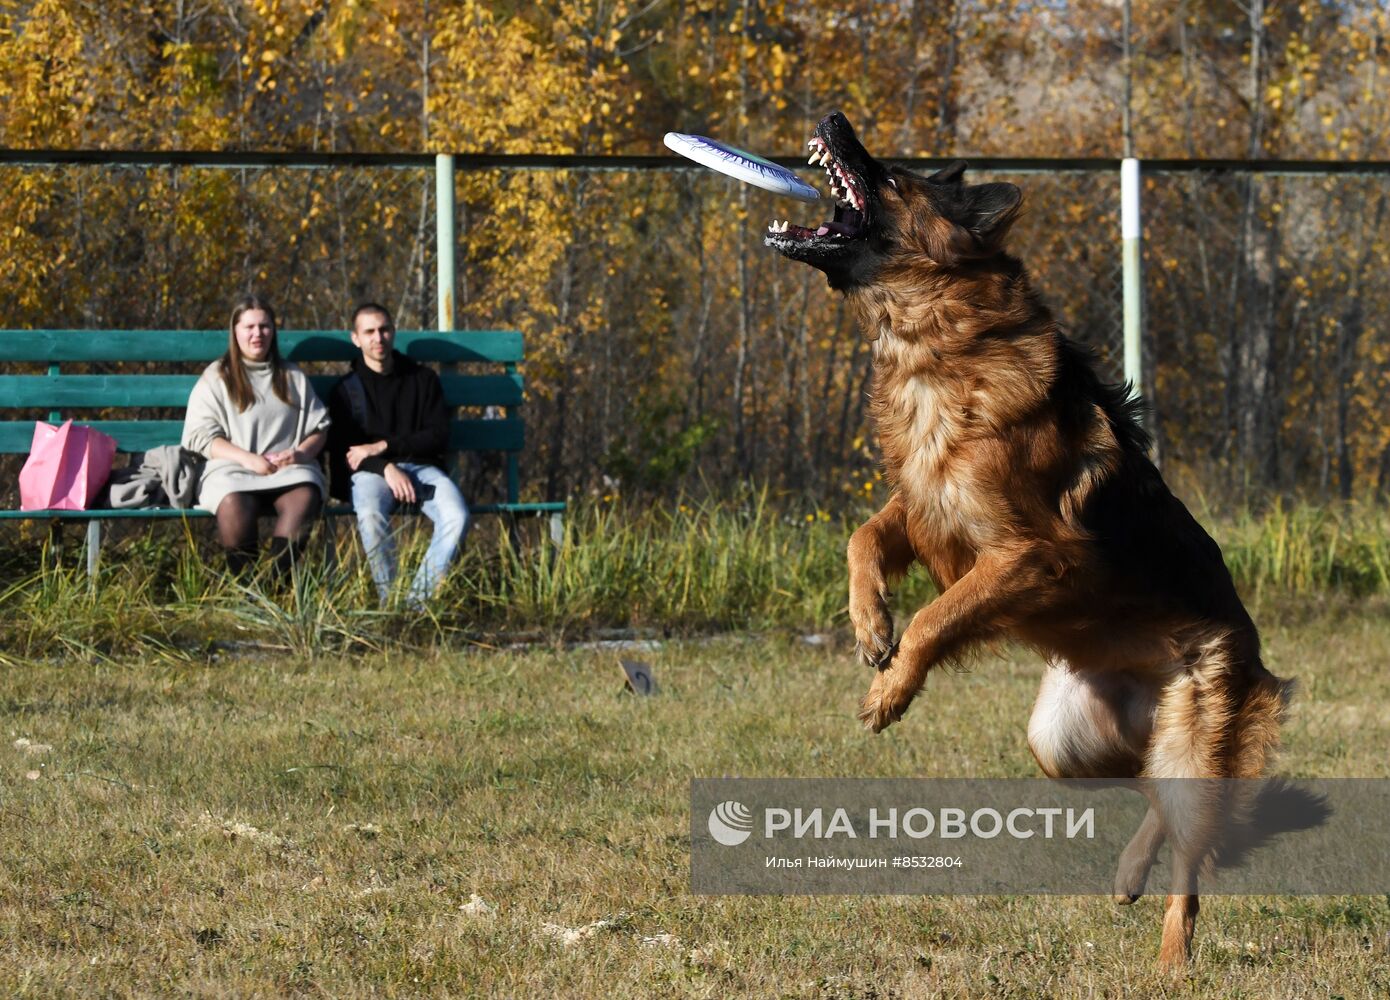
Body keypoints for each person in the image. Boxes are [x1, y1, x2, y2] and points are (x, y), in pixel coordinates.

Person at [328, 302, 470, 607]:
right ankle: (390, 602)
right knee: (369, 514)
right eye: (369, 332)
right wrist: (386, 467)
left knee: (457, 516)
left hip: (423, 471)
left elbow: (437, 435)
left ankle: (415, 605)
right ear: (356, 339)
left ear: (393, 332)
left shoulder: (423, 380)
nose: (378, 338)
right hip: (371, 474)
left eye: (384, 329)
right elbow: (345, 453)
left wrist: (384, 446)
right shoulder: (346, 390)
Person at [182, 295, 330, 578]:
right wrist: (248, 459)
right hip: (232, 469)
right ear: (235, 331)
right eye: (249, 327)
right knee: (233, 502)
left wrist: (300, 454)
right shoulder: (217, 376)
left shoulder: (291, 376)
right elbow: (200, 436)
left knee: (307, 493)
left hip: (286, 469)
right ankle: (244, 582)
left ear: (273, 331)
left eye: (264, 326)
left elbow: (318, 428)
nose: (257, 334)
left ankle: (270, 585)